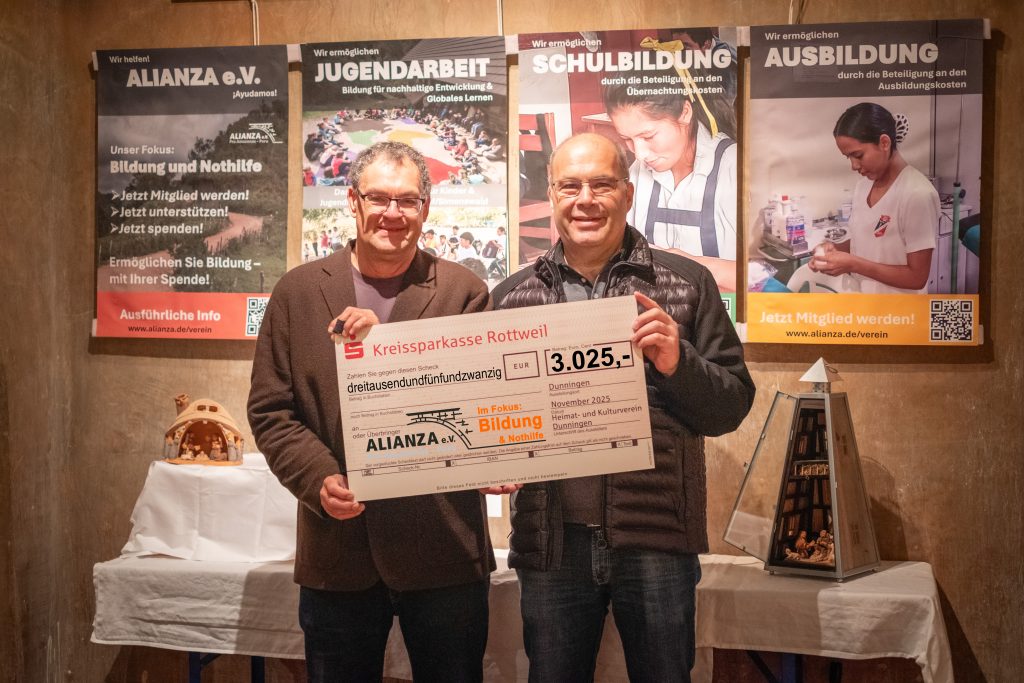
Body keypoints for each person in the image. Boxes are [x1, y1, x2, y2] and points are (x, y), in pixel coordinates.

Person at [491, 133, 754, 682]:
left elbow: (730, 407)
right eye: (570, 186)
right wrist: (493, 458)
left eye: (602, 184)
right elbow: (490, 413)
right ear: (551, 194)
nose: (585, 199)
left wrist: (678, 362)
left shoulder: (686, 284)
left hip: (656, 542)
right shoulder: (511, 298)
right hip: (552, 545)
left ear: (628, 194)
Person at [248, 141, 495, 683]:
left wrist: (498, 457)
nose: (392, 213)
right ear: (353, 201)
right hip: (339, 553)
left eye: (407, 200)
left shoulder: (464, 292)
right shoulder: (296, 292)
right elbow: (272, 410)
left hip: (444, 550)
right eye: (378, 198)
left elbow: (482, 400)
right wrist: (318, 478)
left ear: (426, 208)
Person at [603, 68, 738, 292]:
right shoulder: (638, 173)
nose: (640, 154)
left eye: (648, 136)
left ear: (684, 112)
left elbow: (764, 278)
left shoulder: (733, 166)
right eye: (627, 139)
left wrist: (682, 264)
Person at [809, 102, 939, 294]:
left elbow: (917, 277)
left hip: (898, 309)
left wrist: (853, 264)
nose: (854, 166)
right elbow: (865, 241)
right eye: (848, 157)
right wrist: (834, 250)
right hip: (866, 303)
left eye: (858, 155)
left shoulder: (917, 194)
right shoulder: (863, 187)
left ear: (884, 143)